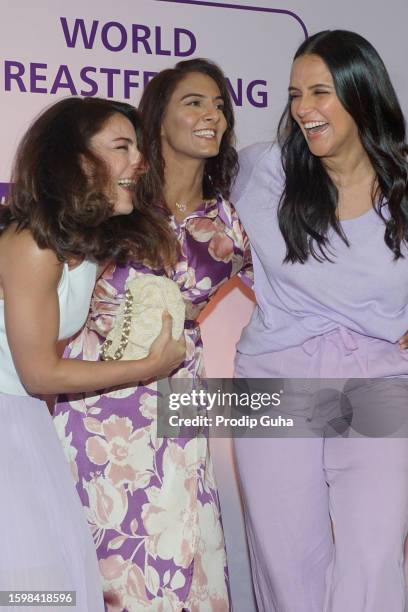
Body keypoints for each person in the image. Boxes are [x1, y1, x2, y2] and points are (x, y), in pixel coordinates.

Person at [53, 59, 252, 611]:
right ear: (157, 119)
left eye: (220, 106)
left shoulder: (230, 222)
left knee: (179, 539)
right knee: (101, 549)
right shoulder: (114, 200)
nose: (212, 115)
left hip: (177, 392)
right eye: (195, 102)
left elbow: (297, 294)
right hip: (94, 403)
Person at [232, 30, 408, 612]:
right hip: (273, 376)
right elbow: (177, 195)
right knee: (288, 560)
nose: (304, 109)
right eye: (295, 95)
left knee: (374, 551)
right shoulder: (263, 170)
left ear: (361, 95)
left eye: (320, 92)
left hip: (381, 379)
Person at [0, 96, 185, 611]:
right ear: (78, 160)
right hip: (10, 420)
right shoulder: (31, 245)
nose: (138, 162)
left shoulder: (81, 245)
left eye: (138, 148)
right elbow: (38, 371)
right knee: (29, 588)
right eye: (121, 146)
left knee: (48, 584)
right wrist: (150, 367)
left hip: (26, 421)